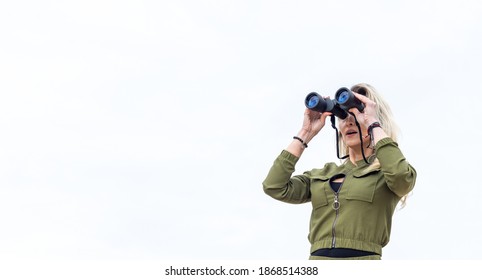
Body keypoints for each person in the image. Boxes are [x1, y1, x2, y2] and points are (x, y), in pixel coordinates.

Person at [262, 83, 417, 260]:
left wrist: (373, 124)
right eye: (343, 116)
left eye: (357, 115)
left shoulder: (388, 173)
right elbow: (274, 186)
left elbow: (401, 177)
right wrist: (305, 132)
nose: (349, 121)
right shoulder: (323, 173)